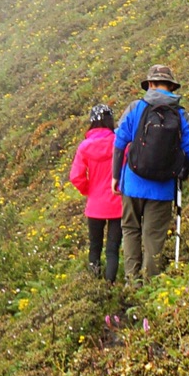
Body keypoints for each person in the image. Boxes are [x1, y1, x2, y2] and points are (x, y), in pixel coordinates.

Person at [113, 63, 189, 284]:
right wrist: (181, 176)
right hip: (162, 188)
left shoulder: (135, 108)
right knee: (154, 235)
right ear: (171, 86)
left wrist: (115, 176)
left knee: (131, 229)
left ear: (150, 84)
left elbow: (119, 141)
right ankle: (150, 284)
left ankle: (133, 281)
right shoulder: (180, 114)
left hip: (132, 181)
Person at [68, 103, 122, 281]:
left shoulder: (84, 147)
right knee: (112, 249)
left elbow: (76, 176)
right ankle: (110, 285)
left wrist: (89, 190)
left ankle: (94, 285)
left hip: (95, 205)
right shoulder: (120, 143)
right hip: (118, 203)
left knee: (95, 247)